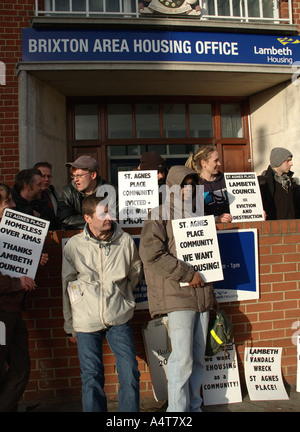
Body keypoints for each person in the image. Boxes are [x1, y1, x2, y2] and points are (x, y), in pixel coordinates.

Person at [139, 166, 216, 412]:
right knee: (181, 360)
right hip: (177, 294)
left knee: (198, 359)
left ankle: (194, 407)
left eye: (193, 184)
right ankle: (177, 411)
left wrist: (210, 293)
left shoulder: (198, 214)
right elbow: (151, 255)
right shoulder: (158, 214)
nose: (189, 188)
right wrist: (187, 273)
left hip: (201, 295)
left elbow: (207, 257)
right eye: (184, 184)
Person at [62, 194, 142, 412]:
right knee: (92, 377)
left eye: (110, 211)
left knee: (130, 372)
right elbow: (67, 286)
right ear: (88, 218)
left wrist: (122, 295)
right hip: (86, 320)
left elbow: (135, 272)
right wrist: (70, 325)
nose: (109, 217)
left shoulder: (124, 241)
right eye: (103, 213)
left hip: (119, 315)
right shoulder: (74, 246)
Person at [0, 183, 47, 412]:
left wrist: (32, 258)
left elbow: (13, 261)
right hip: (1, 316)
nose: (11, 204)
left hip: (13, 312)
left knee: (21, 367)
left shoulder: (5, 230)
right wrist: (16, 281)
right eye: (6, 201)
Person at [57, 155, 114, 230]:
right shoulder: (67, 192)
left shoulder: (110, 191)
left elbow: (115, 219)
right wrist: (95, 221)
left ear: (93, 175)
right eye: (73, 176)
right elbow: (65, 220)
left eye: (79, 176)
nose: (75, 180)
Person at [185, 146, 232, 223]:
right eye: (215, 161)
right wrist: (216, 220)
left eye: (218, 160)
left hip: (231, 229)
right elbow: (194, 216)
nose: (219, 163)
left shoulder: (226, 180)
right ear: (204, 163)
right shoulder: (195, 185)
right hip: (209, 231)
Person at [258, 147, 300, 220]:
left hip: (293, 228)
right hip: (272, 229)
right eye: (288, 161)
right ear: (278, 161)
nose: (291, 164)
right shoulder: (263, 183)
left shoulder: (291, 183)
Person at [33, 162, 61, 230]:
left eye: (49, 176)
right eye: (43, 176)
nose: (46, 179)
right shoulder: (31, 196)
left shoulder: (52, 193)